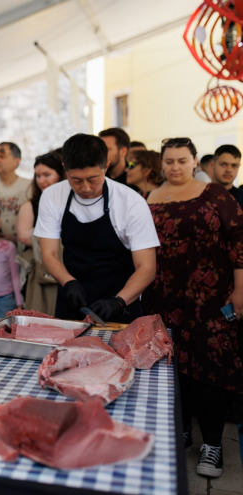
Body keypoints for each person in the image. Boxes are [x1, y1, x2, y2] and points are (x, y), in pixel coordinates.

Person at [142, 137, 243, 478]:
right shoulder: (150, 197)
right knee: (171, 366)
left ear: (195, 161)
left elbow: (239, 242)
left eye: (182, 160)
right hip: (162, 295)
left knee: (210, 367)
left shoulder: (214, 194)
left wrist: (241, 290)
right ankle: (181, 431)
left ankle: (212, 444)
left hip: (208, 297)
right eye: (169, 161)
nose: (175, 167)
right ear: (161, 162)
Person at [35, 133, 159, 323]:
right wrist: (68, 282)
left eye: (93, 179)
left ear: (106, 166)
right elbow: (49, 254)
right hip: (73, 298)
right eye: (76, 180)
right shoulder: (52, 196)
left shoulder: (131, 202)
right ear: (64, 168)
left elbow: (147, 267)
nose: (85, 187)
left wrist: (119, 301)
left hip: (121, 299)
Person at [16, 151, 65, 314]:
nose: (41, 180)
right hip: (41, 271)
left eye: (47, 175)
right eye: (38, 176)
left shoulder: (69, 201)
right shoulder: (30, 205)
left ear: (60, 174)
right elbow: (24, 235)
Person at [210, 144, 243, 209]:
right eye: (224, 164)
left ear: (239, 167)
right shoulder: (199, 195)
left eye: (234, 165)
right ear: (212, 164)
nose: (229, 170)